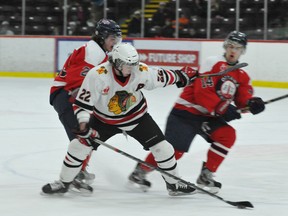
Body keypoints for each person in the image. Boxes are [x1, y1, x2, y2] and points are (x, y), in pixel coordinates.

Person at [42, 42, 199, 196]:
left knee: (164, 149)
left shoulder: (140, 70)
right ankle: (64, 183)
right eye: (127, 65)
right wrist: (83, 124)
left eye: (133, 64)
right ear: (116, 63)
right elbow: (83, 104)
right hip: (103, 120)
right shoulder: (97, 75)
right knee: (77, 146)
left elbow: (161, 77)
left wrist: (182, 75)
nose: (131, 69)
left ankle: (174, 184)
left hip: (136, 119)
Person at [128, 31, 266, 194]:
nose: (233, 50)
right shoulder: (212, 63)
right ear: (225, 46)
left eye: (237, 48)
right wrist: (223, 109)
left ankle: (206, 174)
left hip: (209, 117)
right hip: (186, 114)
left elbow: (242, 99)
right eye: (230, 46)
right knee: (175, 152)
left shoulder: (241, 75)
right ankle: (141, 171)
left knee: (227, 135)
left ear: (242, 51)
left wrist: (251, 104)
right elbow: (202, 93)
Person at [49, 18, 122, 189]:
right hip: (65, 95)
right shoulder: (92, 53)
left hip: (71, 95)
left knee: (86, 136)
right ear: (102, 37)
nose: (115, 42)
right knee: (82, 137)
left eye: (117, 38)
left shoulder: (99, 51)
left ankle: (78, 171)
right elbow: (76, 85)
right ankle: (75, 174)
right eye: (112, 38)